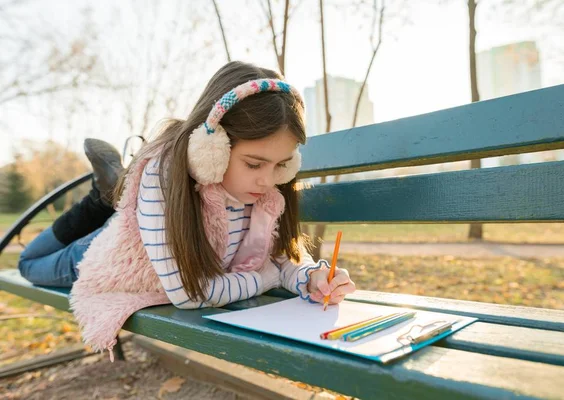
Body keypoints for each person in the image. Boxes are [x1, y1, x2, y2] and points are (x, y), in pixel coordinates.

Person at [18, 61, 356, 359]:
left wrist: (310, 277)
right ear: (211, 148)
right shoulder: (163, 174)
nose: (269, 180)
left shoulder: (266, 187)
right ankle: (101, 199)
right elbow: (190, 293)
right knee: (28, 263)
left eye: (281, 164)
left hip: (156, 234)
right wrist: (264, 277)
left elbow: (281, 254)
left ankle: (113, 194)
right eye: (254, 164)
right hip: (119, 258)